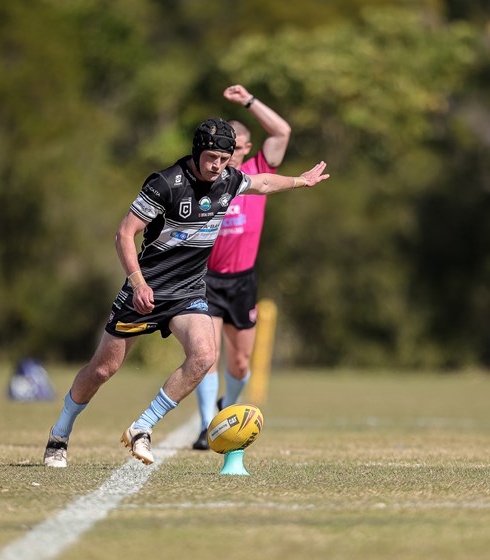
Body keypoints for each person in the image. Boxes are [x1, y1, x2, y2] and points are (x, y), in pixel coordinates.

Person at [43, 117, 329, 467]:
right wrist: (137, 283)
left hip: (188, 292)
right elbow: (124, 234)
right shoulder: (165, 184)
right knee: (104, 369)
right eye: (212, 158)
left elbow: (263, 182)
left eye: (225, 160)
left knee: (205, 356)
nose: (218, 166)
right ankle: (60, 433)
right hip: (145, 291)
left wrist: (301, 180)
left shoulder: (228, 181)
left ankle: (142, 427)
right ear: (197, 152)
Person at [191, 85, 291, 450]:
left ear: (246, 148)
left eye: (236, 148)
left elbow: (282, 132)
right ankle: (206, 426)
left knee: (240, 361)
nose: (229, 155)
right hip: (206, 278)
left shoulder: (256, 172)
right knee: (206, 355)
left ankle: (226, 409)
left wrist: (249, 101)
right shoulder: (210, 177)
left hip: (243, 279)